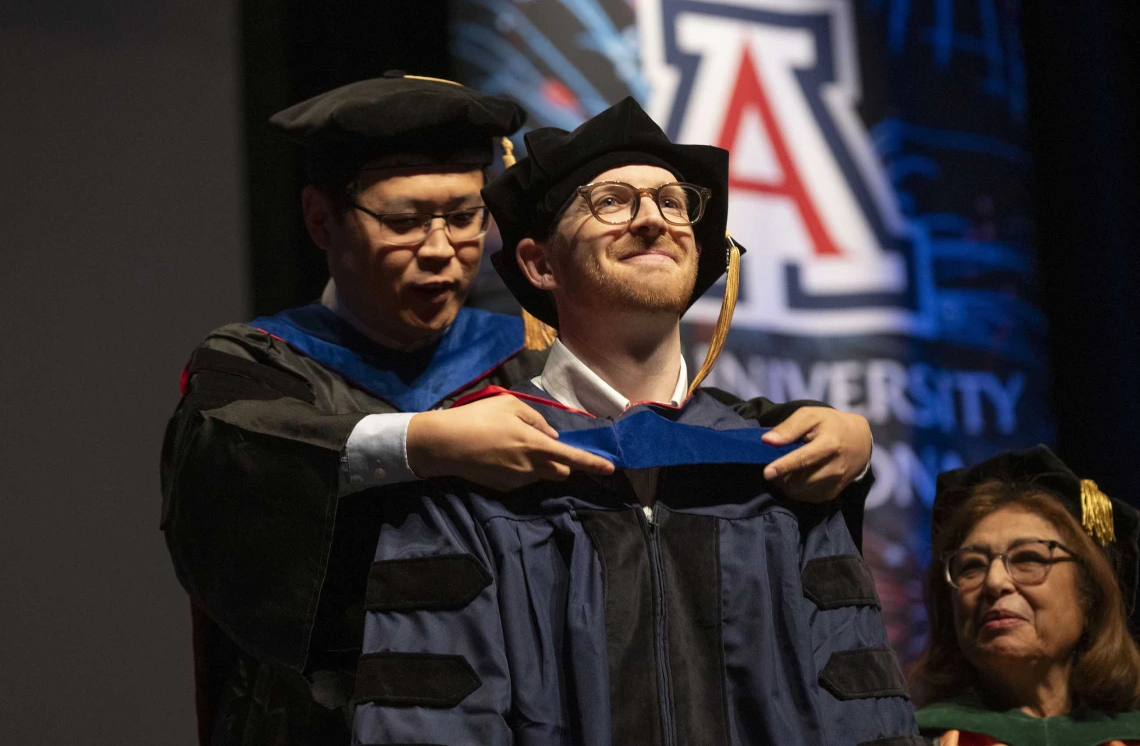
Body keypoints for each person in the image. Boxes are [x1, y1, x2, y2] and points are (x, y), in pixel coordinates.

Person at [161, 76, 876, 745]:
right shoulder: (256, 368)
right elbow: (227, 491)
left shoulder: (527, 368)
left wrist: (849, 438)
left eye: (466, 216)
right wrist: (421, 442)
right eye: (407, 219)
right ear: (321, 221)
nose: (442, 250)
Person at [351, 97, 918, 746]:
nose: (653, 218)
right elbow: (428, 722)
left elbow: (862, 713)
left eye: (673, 203)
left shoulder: (777, 463)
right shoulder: (472, 461)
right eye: (612, 200)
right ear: (539, 263)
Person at [911, 445, 1140, 746]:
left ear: (1091, 594)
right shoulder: (913, 737)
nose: (994, 582)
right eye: (971, 566)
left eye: (1028, 558)